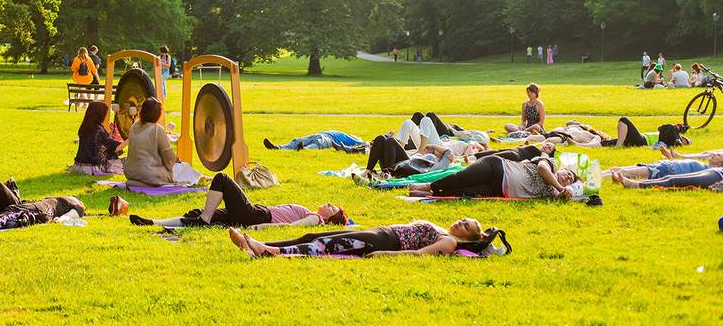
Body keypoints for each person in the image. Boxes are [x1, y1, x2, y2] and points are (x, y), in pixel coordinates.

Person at [128, 172, 349, 229]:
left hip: (256, 216)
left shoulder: (315, 219)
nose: (328, 204)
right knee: (198, 213)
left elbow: (291, 226)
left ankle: (205, 218)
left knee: (222, 179)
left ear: (331, 217)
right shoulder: (312, 212)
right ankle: (153, 223)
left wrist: (261, 227)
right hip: (250, 215)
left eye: (332, 207)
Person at [227, 217, 488, 259]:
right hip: (380, 232)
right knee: (313, 234)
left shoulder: (450, 241)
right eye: (463, 219)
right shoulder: (445, 229)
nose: (460, 222)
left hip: (385, 242)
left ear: (470, 237)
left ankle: (269, 252)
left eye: (465, 225)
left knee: (324, 246)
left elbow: (419, 254)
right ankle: (256, 246)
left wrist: (386, 254)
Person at [407, 155, 577, 199]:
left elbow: (561, 198)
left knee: (463, 193)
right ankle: (429, 186)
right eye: (567, 174)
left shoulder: (553, 193)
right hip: (497, 168)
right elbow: (541, 168)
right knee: (460, 178)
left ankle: (429, 195)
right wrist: (561, 187)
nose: (567, 178)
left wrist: (563, 192)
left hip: (498, 190)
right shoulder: (551, 164)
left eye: (570, 179)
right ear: (561, 170)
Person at [0, 180, 85, 232]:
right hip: (29, 205)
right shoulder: (55, 199)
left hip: (44, 211)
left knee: (17, 211)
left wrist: (62, 219)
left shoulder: (75, 204)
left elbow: (75, 213)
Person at [123, 97, 176, 186]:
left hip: (131, 173)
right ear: (158, 114)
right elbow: (169, 159)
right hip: (149, 174)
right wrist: (176, 160)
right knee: (182, 168)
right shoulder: (157, 129)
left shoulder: (134, 127)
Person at [72, 100, 125, 175]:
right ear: (100, 115)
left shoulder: (85, 126)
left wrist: (109, 135)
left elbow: (99, 143)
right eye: (105, 114)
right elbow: (115, 148)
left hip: (78, 166)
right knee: (128, 164)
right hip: (91, 168)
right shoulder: (98, 129)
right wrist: (130, 138)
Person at [605, 154, 723, 182]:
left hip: (664, 170)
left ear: (720, 164)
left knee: (624, 172)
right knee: (617, 168)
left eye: (718, 156)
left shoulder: (708, 172)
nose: (714, 155)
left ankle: (593, 180)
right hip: (662, 164)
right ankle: (591, 175)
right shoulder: (703, 166)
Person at [611, 166, 723, 190]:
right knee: (670, 177)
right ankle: (635, 183)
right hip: (715, 171)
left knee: (674, 181)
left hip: (718, 176)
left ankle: (635, 185)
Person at [263, 129, 367, 152]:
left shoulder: (354, 140)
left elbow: (365, 144)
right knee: (297, 140)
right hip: (320, 134)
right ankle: (277, 148)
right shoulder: (345, 134)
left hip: (329, 139)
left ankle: (305, 150)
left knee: (318, 144)